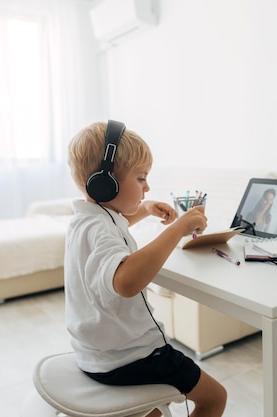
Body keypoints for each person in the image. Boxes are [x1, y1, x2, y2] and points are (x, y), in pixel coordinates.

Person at [65, 121, 227, 417]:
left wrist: (145, 207)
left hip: (95, 358)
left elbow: (114, 229)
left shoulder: (86, 221)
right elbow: (126, 280)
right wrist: (178, 229)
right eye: (141, 178)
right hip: (133, 357)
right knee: (215, 398)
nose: (147, 186)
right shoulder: (100, 229)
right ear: (106, 183)